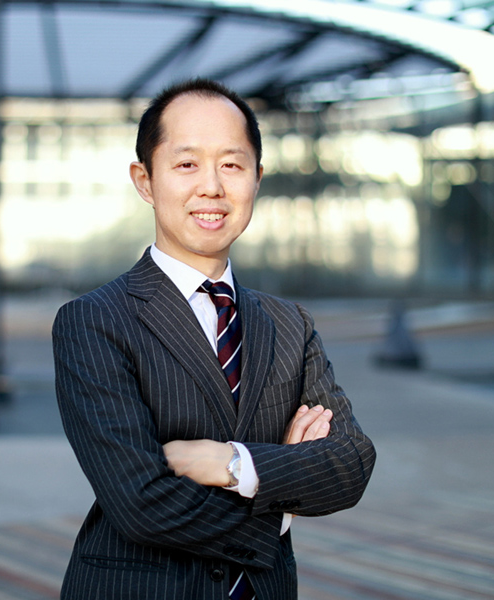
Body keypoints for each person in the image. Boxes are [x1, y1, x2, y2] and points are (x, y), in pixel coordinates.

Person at [53, 78, 376, 600]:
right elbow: (140, 502)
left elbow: (350, 463)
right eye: (186, 164)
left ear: (257, 179)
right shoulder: (94, 321)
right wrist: (280, 504)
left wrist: (233, 464)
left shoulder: (290, 324)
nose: (211, 187)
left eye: (232, 165)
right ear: (145, 180)